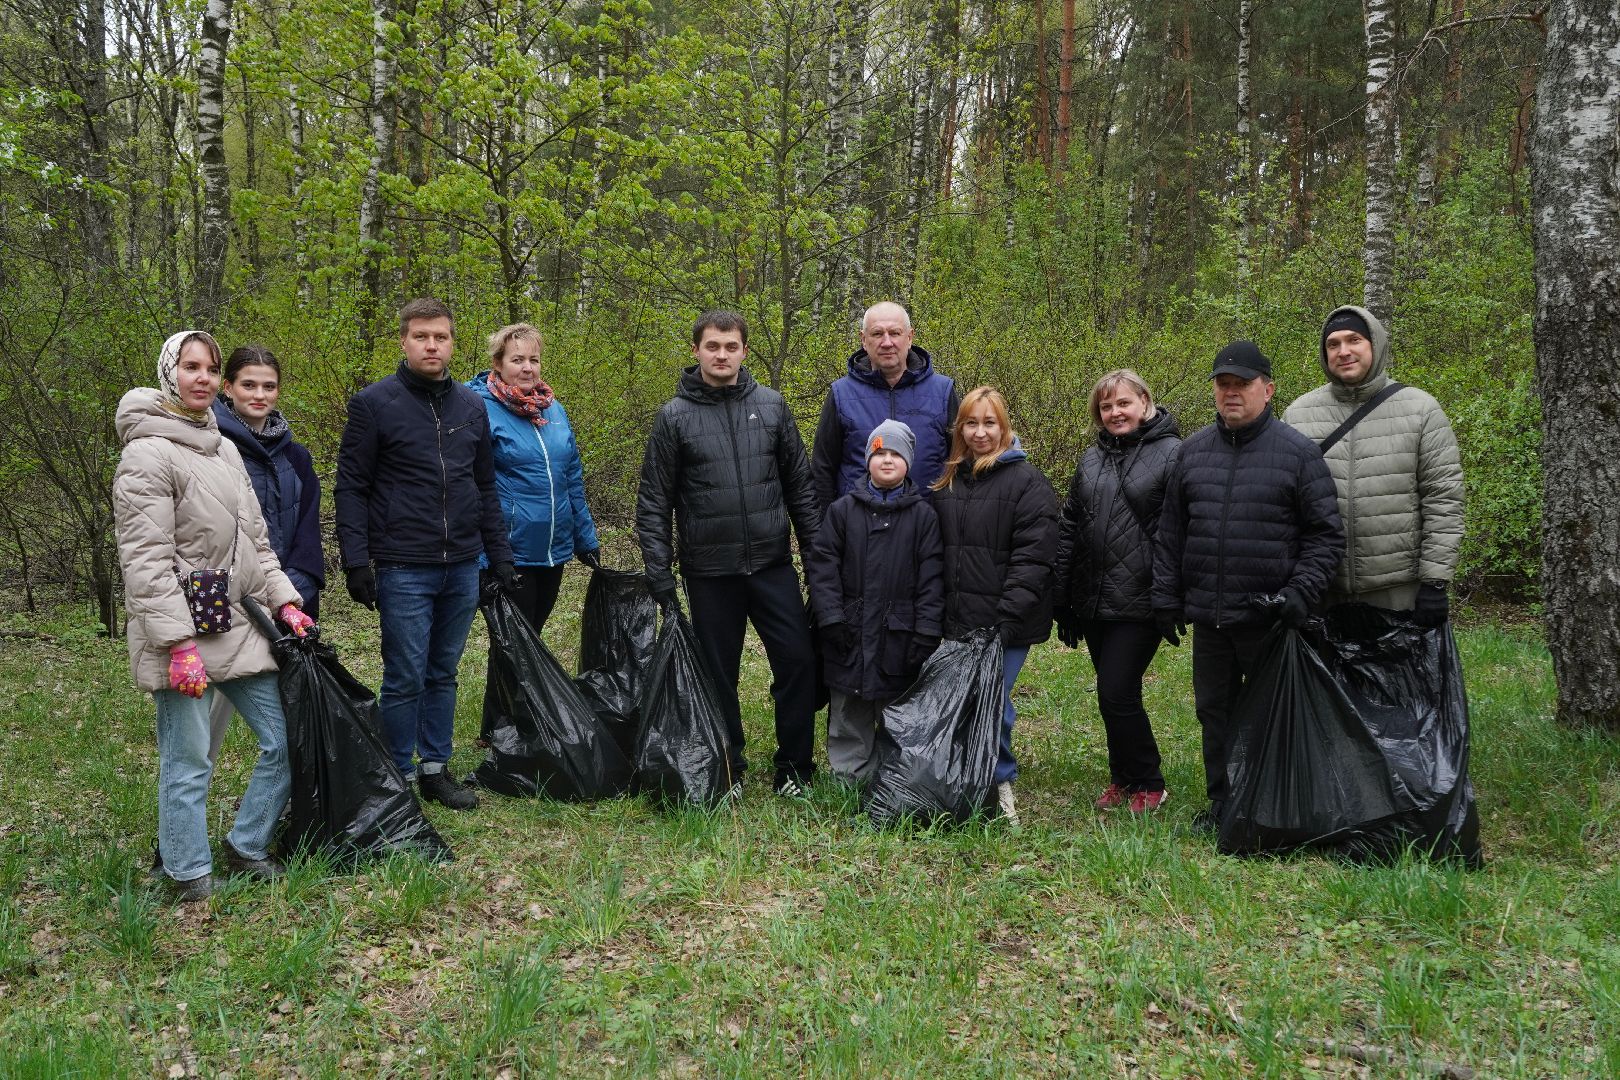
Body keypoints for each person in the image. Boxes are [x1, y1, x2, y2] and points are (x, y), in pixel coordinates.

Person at [113, 330, 315, 903]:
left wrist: (284, 602)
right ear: (169, 373)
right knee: (189, 760)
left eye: (209, 368)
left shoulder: (222, 446)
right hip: (180, 632)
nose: (202, 377)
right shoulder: (146, 452)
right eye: (190, 367)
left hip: (237, 624)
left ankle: (246, 844)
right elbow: (145, 562)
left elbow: (255, 540)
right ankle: (186, 874)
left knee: (285, 738)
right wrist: (177, 645)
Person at [1152, 341, 1344, 828]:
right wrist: (1166, 599)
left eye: (1243, 384)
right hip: (1211, 618)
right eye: (1223, 384)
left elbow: (1325, 535)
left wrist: (1301, 592)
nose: (1232, 393)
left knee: (1268, 715)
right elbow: (1171, 532)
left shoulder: (1298, 454)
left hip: (1270, 617)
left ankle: (1270, 805)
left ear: (1268, 390)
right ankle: (1224, 804)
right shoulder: (1191, 453)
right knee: (1214, 712)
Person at [335, 298, 515, 811]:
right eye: (420, 336)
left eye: (440, 336)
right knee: (405, 673)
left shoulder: (471, 406)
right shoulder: (375, 404)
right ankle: (399, 773)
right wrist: (356, 560)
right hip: (402, 564)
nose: (431, 345)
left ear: (453, 342)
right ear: (404, 341)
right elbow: (352, 486)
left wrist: (497, 555)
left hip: (461, 563)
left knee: (443, 670)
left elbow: (484, 486)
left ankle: (436, 769)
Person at [636, 310, 823, 797]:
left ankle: (795, 769)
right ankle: (728, 765)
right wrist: (659, 572)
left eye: (731, 346)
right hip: (708, 571)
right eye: (713, 346)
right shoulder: (673, 416)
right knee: (720, 674)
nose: (722, 355)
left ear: (744, 351)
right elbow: (654, 501)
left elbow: (801, 490)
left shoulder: (773, 406)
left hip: (771, 564)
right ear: (696, 350)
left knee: (798, 662)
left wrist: (818, 561)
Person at [1053, 370, 1181, 814]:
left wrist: (1169, 595)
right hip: (1093, 595)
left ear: (1145, 402)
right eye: (1106, 407)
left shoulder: (1172, 454)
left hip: (1141, 598)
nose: (1115, 413)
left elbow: (1176, 533)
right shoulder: (1091, 459)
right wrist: (1062, 594)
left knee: (1117, 689)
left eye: (1123, 403)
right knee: (1111, 693)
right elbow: (1070, 523)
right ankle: (1123, 777)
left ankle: (1150, 780)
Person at [1283, 306, 1464, 619]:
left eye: (1354, 340)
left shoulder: (1421, 411)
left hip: (1397, 593)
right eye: (1333, 344)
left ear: (1374, 345)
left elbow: (1443, 501)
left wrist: (1434, 582)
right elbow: (1282, 504)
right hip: (1322, 593)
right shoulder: (1298, 415)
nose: (1344, 351)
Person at [930, 386, 1059, 826]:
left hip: (1007, 622)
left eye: (990, 423)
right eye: (972, 423)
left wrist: (1005, 619)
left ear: (1004, 428)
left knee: (994, 702)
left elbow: (1034, 558)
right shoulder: (946, 482)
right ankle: (965, 780)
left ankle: (1001, 784)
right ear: (959, 428)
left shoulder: (1028, 483)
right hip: (955, 617)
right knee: (961, 702)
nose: (980, 432)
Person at [468, 323, 601, 730]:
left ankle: (525, 717)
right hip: (509, 550)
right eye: (517, 360)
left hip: (553, 548)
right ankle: (499, 727)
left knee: (532, 637)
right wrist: (485, 557)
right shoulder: (478, 409)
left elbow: (571, 477)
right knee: (511, 642)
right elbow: (473, 489)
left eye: (534, 359)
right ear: (498, 364)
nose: (527, 368)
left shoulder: (551, 409)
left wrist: (585, 537)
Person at [806, 420, 945, 784]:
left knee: (895, 709)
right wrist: (831, 619)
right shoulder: (842, 511)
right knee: (849, 709)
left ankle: (891, 780)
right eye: (879, 453)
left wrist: (927, 631)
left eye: (895, 454)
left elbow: (932, 580)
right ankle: (850, 778)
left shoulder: (923, 518)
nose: (887, 460)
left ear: (909, 462)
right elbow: (823, 568)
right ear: (866, 459)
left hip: (899, 634)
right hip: (848, 633)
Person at [207, 344, 325, 766]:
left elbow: (309, 531)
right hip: (225, 600)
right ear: (228, 388)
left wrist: (293, 592)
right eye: (248, 384)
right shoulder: (212, 447)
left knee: (290, 714)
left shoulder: (296, 456)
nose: (259, 394)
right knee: (208, 718)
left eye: (269, 386)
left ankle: (295, 806)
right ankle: (187, 820)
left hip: (286, 597)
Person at [809, 301, 959, 510]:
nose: (887, 342)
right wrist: (827, 533)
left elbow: (961, 463)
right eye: (877, 334)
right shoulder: (841, 394)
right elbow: (822, 470)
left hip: (929, 529)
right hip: (858, 529)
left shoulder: (942, 391)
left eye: (895, 333)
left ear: (910, 337)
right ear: (863, 339)